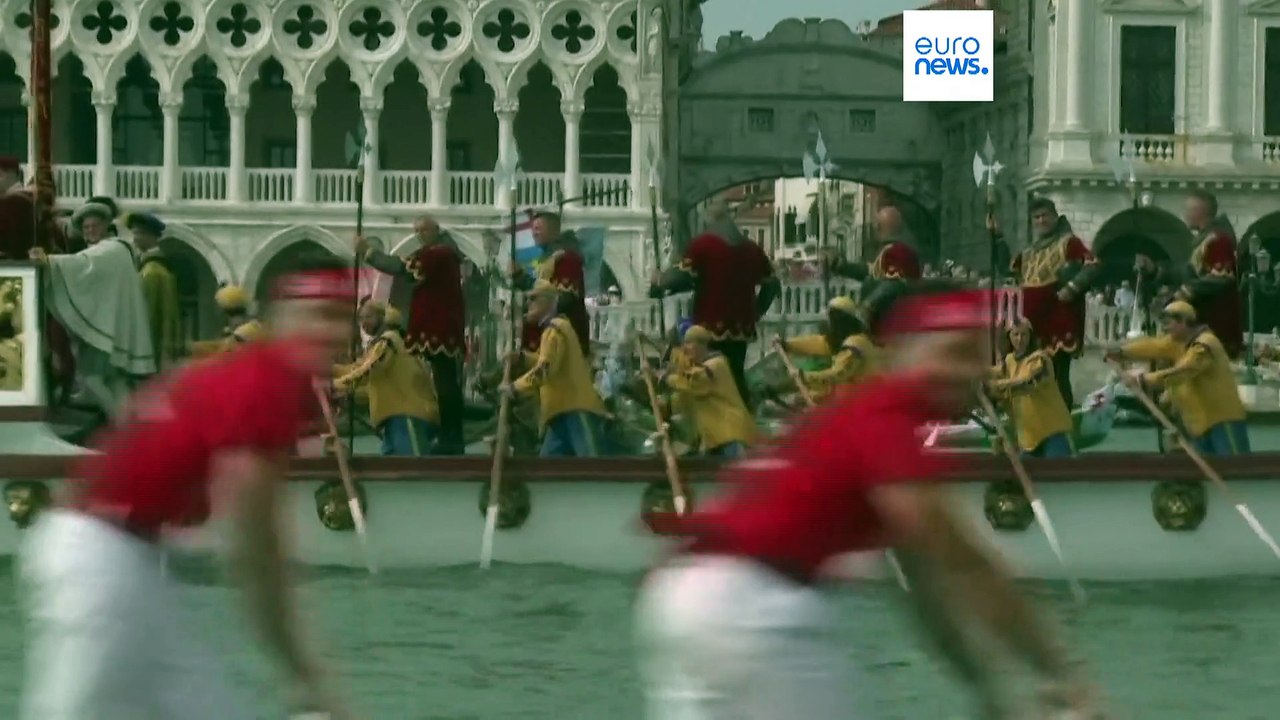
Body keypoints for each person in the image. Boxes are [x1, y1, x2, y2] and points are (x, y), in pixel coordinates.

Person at [635, 283, 1102, 720]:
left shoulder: (866, 418)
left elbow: (924, 593)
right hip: (753, 610)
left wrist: (984, 689)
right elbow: (963, 562)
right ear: (906, 357)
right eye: (953, 354)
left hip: (681, 599)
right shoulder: (889, 421)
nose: (968, 371)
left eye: (978, 356)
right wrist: (1060, 674)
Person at [18, 255, 361, 720]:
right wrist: (305, 675)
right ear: (280, 319)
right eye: (318, 314)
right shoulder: (266, 383)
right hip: (96, 557)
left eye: (341, 317)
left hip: (131, 558)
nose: (330, 331)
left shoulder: (262, 375)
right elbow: (256, 548)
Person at [649, 197, 780, 407]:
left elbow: (679, 277)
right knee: (735, 376)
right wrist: (755, 312)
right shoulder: (752, 250)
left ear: (710, 221)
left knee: (706, 377)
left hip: (707, 327)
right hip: (741, 329)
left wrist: (660, 280)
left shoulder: (703, 246)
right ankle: (743, 417)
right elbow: (772, 285)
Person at [29, 201, 156, 418]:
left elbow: (81, 265)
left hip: (107, 328)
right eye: (86, 227)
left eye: (94, 225)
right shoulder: (107, 250)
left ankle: (122, 427)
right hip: (109, 323)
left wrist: (48, 260)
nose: (90, 230)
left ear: (106, 225)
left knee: (92, 377)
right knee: (114, 380)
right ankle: (131, 432)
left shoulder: (113, 249)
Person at [358, 217, 467, 455]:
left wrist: (369, 253)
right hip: (439, 327)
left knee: (445, 382)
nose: (419, 235)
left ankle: (452, 436)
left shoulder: (439, 253)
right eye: (416, 231)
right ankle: (449, 434)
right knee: (443, 380)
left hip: (439, 327)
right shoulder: (439, 252)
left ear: (437, 230)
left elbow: (401, 268)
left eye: (423, 230)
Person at [991, 197, 1099, 409]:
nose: (1041, 221)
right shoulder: (1030, 251)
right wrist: (997, 237)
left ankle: (1062, 427)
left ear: (1054, 216)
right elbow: (1007, 269)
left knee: (1057, 377)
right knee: (1031, 378)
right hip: (1032, 324)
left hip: (1058, 320)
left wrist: (1071, 289)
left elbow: (1092, 265)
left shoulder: (1069, 242)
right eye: (1037, 217)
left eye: (1045, 216)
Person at [1106, 300, 1249, 456]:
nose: (1165, 327)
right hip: (1198, 424)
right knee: (1205, 471)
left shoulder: (1205, 345)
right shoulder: (1177, 341)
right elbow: (1153, 346)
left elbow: (1183, 372)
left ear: (1184, 322)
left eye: (1168, 322)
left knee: (1234, 467)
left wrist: (1144, 380)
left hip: (1222, 420)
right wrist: (1121, 353)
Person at [502, 279, 608, 457]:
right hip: (559, 413)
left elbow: (545, 370)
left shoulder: (555, 330)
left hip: (575, 410)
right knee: (547, 471)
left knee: (592, 467)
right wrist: (522, 358)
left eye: (533, 298)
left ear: (545, 301)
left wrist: (514, 388)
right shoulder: (555, 329)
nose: (528, 303)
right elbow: (545, 361)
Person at [1137, 189, 1242, 359]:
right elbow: (1186, 272)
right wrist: (1154, 269)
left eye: (1188, 209)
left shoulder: (1218, 239)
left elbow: (1222, 278)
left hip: (1214, 327)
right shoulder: (1205, 239)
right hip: (1202, 327)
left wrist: (1184, 292)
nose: (1185, 214)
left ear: (1200, 211)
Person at [334, 302, 440, 456]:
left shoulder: (388, 341)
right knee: (397, 472)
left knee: (413, 471)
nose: (363, 322)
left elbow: (367, 371)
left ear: (383, 317)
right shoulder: (386, 342)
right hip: (395, 420)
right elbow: (367, 377)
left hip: (407, 417)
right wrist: (330, 372)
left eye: (368, 316)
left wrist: (336, 384)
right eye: (361, 318)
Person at [660, 324, 757, 458]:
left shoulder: (715, 364)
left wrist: (667, 378)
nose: (685, 348)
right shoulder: (698, 368)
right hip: (713, 438)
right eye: (684, 343)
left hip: (730, 434)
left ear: (701, 344)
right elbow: (683, 397)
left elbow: (695, 384)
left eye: (689, 343)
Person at [987, 319, 1076, 458]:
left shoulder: (1041, 359)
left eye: (1024, 335)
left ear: (1031, 336)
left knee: (1057, 476)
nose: (1019, 339)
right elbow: (995, 373)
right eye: (1015, 334)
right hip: (1028, 439)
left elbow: (1026, 382)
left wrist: (996, 385)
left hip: (1051, 433)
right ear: (1009, 337)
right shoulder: (1009, 361)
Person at [512, 212, 591, 358]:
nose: (534, 233)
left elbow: (564, 300)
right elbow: (541, 289)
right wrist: (520, 277)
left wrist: (540, 311)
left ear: (553, 229)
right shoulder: (547, 257)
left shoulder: (567, 258)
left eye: (538, 228)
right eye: (532, 229)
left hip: (560, 339)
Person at [774, 295, 878, 402]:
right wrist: (787, 345)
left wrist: (804, 377)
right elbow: (819, 344)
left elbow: (837, 375)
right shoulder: (846, 339)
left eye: (831, 318)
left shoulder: (855, 344)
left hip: (863, 403)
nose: (829, 323)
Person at [129, 212, 184, 370]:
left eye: (138, 233)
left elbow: (149, 315)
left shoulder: (151, 271)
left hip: (150, 350)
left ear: (150, 236)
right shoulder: (156, 268)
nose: (134, 239)